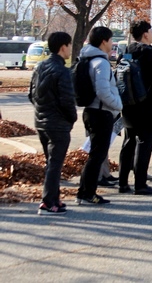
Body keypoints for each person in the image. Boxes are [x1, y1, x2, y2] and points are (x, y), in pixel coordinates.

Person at [29, 32, 76, 215]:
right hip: (58, 123)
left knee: (51, 163)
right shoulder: (62, 71)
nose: (70, 49)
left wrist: (42, 111)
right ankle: (48, 202)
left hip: (41, 121)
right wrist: (71, 118)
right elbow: (67, 100)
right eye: (69, 45)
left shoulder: (39, 67)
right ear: (63, 46)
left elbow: (31, 94)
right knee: (55, 164)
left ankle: (54, 198)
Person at [118, 20, 152, 195]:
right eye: (151, 31)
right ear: (145, 34)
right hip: (148, 105)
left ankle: (123, 182)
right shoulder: (149, 53)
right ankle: (140, 183)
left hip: (129, 105)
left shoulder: (127, 52)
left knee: (129, 141)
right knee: (145, 142)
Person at [77, 26, 123, 205]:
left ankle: (85, 192)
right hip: (101, 113)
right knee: (97, 156)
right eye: (111, 40)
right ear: (104, 41)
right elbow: (103, 91)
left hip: (91, 111)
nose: (112, 44)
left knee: (95, 155)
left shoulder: (87, 59)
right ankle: (87, 193)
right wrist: (118, 104)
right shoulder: (101, 63)